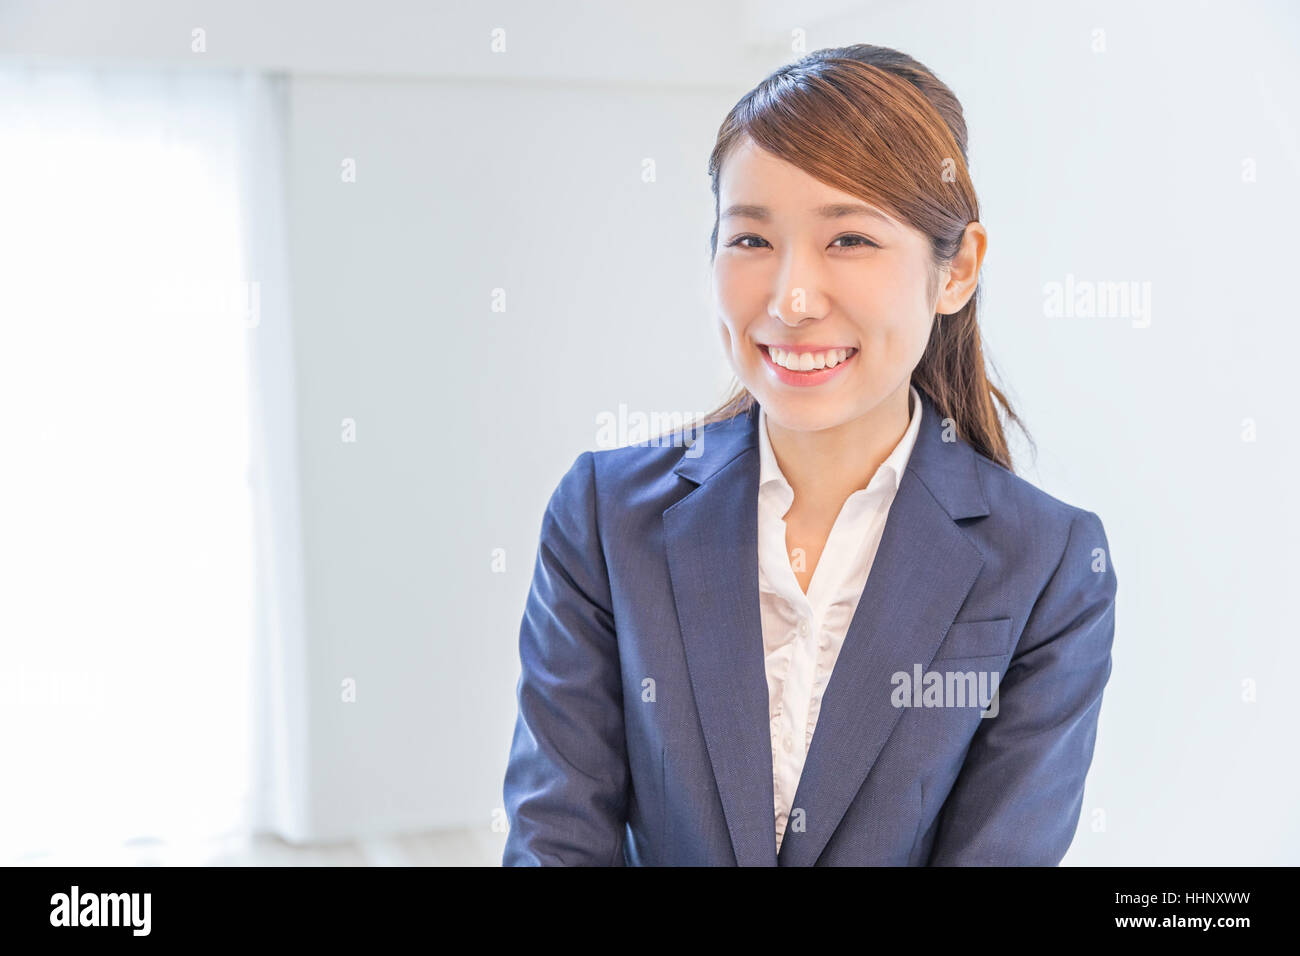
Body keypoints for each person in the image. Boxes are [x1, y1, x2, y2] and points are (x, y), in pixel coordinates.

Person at [502, 43, 1117, 866]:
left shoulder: (1048, 565)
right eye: (751, 240)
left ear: (957, 270)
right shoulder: (605, 516)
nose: (791, 299)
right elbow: (557, 841)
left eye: (850, 240)